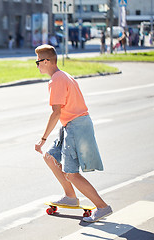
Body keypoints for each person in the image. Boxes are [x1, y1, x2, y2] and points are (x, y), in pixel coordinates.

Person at [34, 44, 112, 223]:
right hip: (69, 126)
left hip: (76, 126)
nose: (37, 65)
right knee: (50, 157)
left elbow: (56, 112)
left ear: (46, 61)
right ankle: (70, 196)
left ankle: (102, 207)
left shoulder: (57, 80)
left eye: (37, 62)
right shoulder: (62, 76)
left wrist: (42, 138)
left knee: (71, 173)